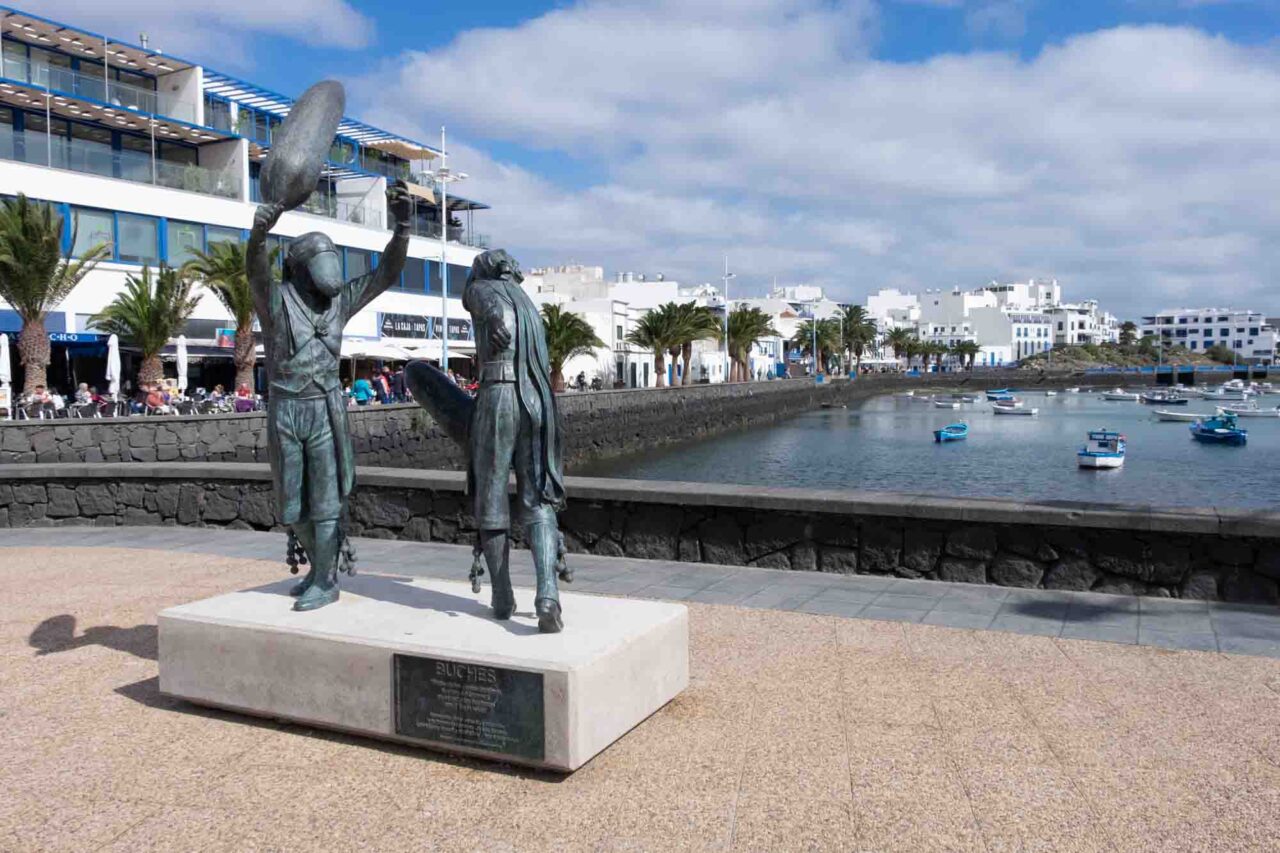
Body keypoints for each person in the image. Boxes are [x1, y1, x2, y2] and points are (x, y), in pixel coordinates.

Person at [247, 180, 412, 611]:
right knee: (291, 505)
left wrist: (403, 228)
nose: (331, 270)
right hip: (287, 409)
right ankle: (321, 567)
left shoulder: (340, 303)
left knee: (326, 501)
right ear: (302, 268)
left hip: (325, 409)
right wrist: (258, 236)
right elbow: (256, 274)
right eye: (323, 261)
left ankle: (325, 578)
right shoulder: (277, 301)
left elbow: (385, 274)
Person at [460, 250, 566, 633]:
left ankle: (502, 594)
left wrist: (489, 314)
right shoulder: (528, 304)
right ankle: (547, 594)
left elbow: (476, 298)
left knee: (491, 496)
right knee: (537, 500)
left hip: (500, 394)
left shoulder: (482, 288)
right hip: (537, 401)